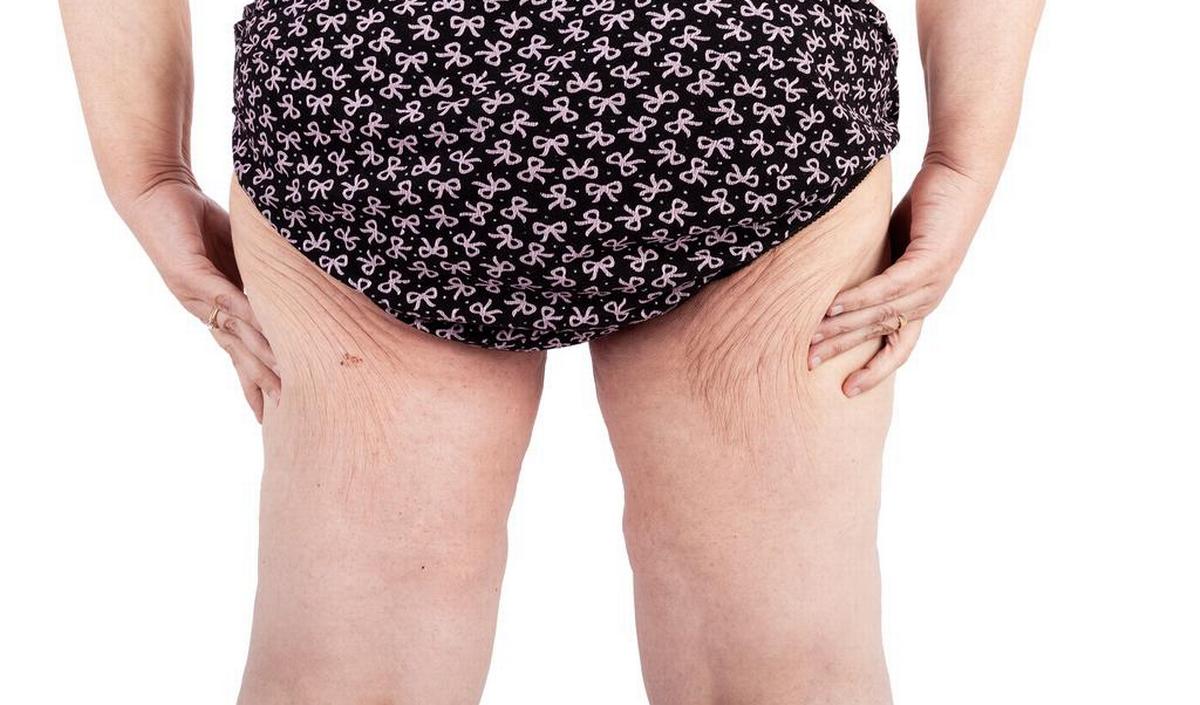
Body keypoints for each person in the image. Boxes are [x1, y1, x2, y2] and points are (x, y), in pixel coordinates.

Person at [59, 0, 1043, 702]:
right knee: (785, 664)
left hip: (377, 95)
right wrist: (964, 152)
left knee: (348, 673)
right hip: (738, 80)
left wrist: (146, 165)